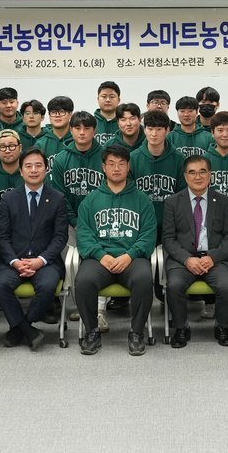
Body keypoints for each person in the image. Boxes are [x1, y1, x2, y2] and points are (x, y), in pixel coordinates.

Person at [74, 144, 158, 356]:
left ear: (129, 166)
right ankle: (92, 332)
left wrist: (130, 255)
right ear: (104, 167)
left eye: (121, 163)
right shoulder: (90, 200)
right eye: (111, 164)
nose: (117, 168)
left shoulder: (142, 199)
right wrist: (101, 256)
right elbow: (83, 234)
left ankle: (137, 332)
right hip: (100, 259)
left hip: (132, 258)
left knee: (144, 279)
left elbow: (148, 235)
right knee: (83, 281)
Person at [0, 148, 68, 351]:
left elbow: (60, 237)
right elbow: (2, 237)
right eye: (28, 166)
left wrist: (40, 260)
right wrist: (15, 262)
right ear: (21, 171)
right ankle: (29, 330)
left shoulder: (57, 198)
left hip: (45, 262)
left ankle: (20, 328)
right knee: (0, 285)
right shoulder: (9, 199)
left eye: (38, 165)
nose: (33, 170)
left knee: (48, 286)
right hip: (14, 261)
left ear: (46, 169)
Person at [161, 155, 228, 348]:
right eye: (192, 172)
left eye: (202, 172)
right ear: (185, 176)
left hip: (214, 259)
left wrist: (213, 257)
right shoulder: (172, 202)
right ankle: (181, 328)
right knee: (174, 285)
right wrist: (187, 259)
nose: (198, 177)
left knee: (226, 286)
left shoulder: (222, 201)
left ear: (210, 175)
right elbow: (168, 238)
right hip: (183, 260)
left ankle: (222, 327)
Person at [49, 111, 105, 226]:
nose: (82, 132)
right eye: (77, 128)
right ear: (71, 129)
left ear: (94, 131)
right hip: (68, 223)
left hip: (101, 221)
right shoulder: (61, 159)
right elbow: (59, 195)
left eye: (87, 128)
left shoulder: (105, 157)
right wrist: (74, 221)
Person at [130, 110, 184, 224]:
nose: (154, 134)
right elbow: (129, 194)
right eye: (150, 129)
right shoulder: (133, 159)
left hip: (171, 222)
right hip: (141, 222)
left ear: (167, 130)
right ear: (144, 130)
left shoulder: (179, 159)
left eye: (159, 129)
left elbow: (183, 194)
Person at [34, 95, 74, 166]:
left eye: (62, 111)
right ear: (49, 115)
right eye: (53, 112)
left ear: (70, 114)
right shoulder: (40, 144)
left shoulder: (78, 140)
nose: (57, 115)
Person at [93, 81, 122, 147]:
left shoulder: (124, 123)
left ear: (118, 100)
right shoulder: (90, 122)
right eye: (104, 96)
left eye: (112, 97)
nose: (108, 100)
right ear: (98, 99)